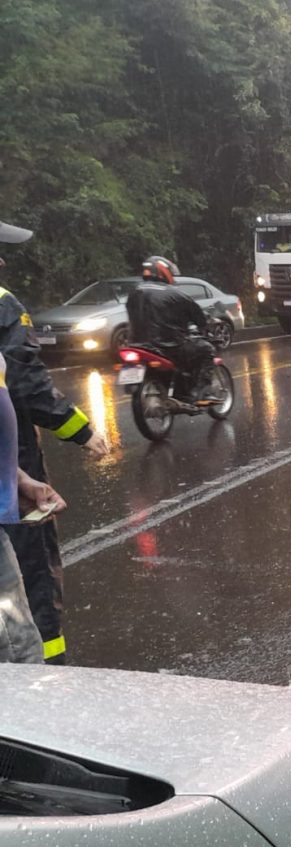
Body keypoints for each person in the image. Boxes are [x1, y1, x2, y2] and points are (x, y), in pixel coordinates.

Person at [0, 220, 107, 664]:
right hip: (10, 465)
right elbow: (26, 384)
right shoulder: (3, 304)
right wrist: (82, 429)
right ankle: (49, 689)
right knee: (31, 582)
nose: (3, 261)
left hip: (12, 471)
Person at [125, 256, 218, 402]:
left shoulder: (134, 293)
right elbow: (198, 316)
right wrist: (205, 327)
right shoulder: (175, 294)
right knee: (207, 350)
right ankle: (203, 393)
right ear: (164, 272)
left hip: (136, 345)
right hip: (168, 346)